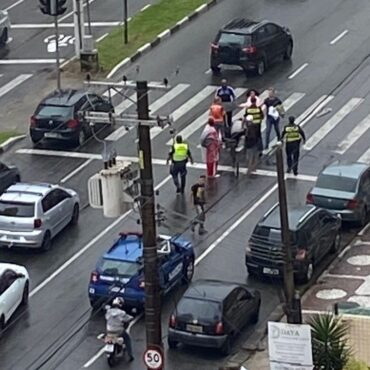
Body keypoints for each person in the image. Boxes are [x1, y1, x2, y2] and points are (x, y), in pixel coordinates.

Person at [105, 297, 134, 362]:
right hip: (119, 331)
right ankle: (130, 356)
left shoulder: (108, 311)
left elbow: (106, 318)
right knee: (127, 339)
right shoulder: (122, 313)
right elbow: (127, 319)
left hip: (109, 331)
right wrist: (131, 317)